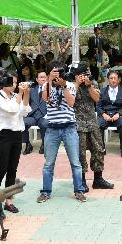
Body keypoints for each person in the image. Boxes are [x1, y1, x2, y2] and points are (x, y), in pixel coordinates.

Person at [38, 62, 85, 202]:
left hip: (69, 127)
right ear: (49, 73)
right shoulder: (46, 86)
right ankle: (46, 191)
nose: (57, 74)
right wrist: (49, 80)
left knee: (75, 162)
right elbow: (45, 99)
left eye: (58, 72)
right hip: (52, 128)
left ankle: (79, 190)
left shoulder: (70, 85)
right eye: (53, 72)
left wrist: (63, 86)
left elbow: (71, 103)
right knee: (48, 163)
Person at [74, 64, 114, 190]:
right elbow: (70, 100)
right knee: (80, 153)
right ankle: (82, 180)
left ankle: (98, 179)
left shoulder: (93, 83)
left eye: (89, 73)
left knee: (98, 150)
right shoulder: (72, 84)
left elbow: (97, 99)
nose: (87, 75)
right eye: (85, 73)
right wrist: (77, 83)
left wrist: (89, 85)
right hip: (78, 124)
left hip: (92, 123)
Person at [0, 73, 29, 211]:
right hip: (4, 135)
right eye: (12, 82)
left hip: (17, 135)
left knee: (12, 169)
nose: (15, 85)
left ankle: (9, 201)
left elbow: (24, 112)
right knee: (1, 169)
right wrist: (20, 93)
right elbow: (12, 110)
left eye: (16, 82)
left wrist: (26, 94)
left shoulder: (16, 96)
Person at [97, 70, 122, 157]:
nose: (113, 80)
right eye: (111, 78)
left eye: (115, 78)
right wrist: (104, 114)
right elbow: (98, 106)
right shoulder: (102, 91)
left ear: (118, 80)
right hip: (105, 115)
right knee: (97, 125)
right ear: (108, 80)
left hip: (118, 115)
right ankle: (102, 148)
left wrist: (118, 114)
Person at [23, 70, 48, 154]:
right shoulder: (31, 90)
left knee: (44, 124)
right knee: (23, 123)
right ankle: (28, 145)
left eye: (44, 77)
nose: (43, 79)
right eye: (41, 77)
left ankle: (44, 145)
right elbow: (26, 103)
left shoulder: (50, 89)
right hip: (32, 115)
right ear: (37, 80)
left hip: (44, 115)